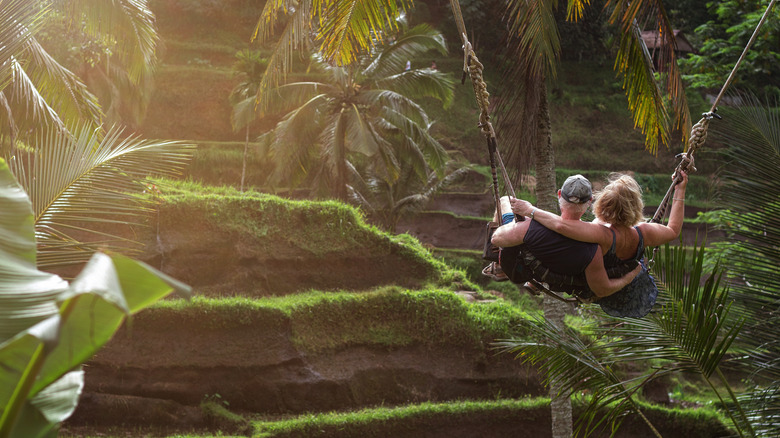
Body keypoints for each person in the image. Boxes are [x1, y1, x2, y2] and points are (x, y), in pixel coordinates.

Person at [510, 171, 688, 317]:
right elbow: (673, 230)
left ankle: (536, 276)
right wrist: (680, 190)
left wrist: (529, 210)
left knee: (568, 238)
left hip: (604, 288)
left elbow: (560, 225)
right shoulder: (644, 232)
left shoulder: (601, 233)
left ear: (603, 204)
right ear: (636, 206)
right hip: (635, 294)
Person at [486, 175, 641, 300]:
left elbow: (496, 238)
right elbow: (602, 289)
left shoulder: (530, 228)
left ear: (559, 194)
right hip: (563, 273)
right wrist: (629, 277)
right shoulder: (596, 246)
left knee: (505, 200)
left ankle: (500, 267)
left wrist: (517, 223)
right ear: (590, 201)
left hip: (531, 261)